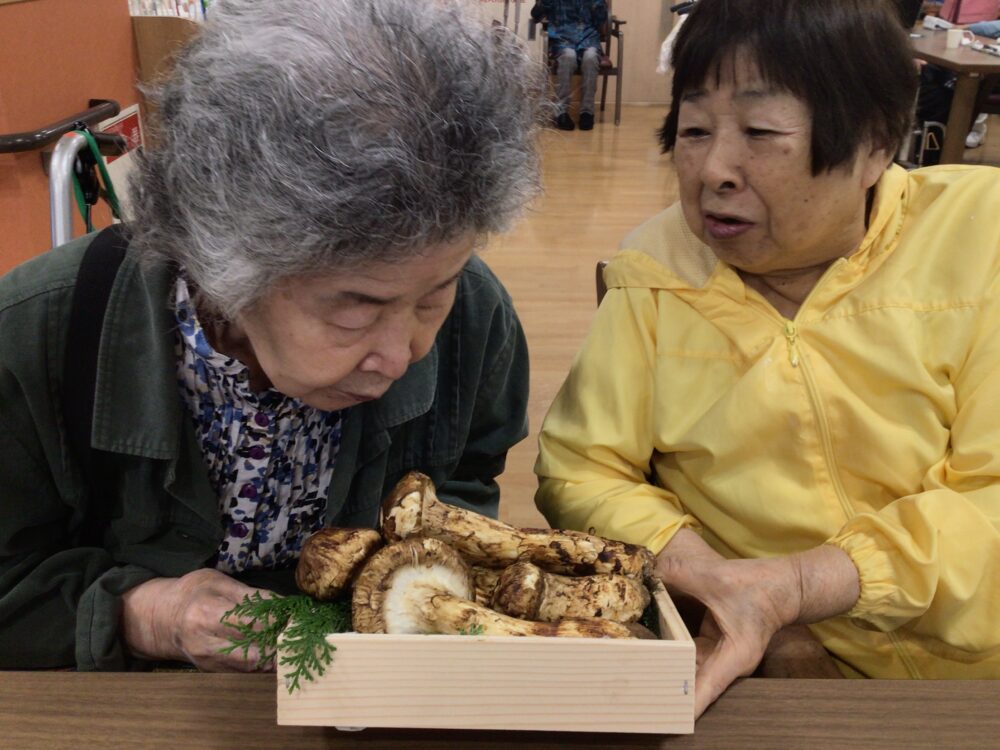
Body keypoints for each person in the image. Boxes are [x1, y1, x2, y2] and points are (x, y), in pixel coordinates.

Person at [0, 0, 545, 672]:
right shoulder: (30, 341)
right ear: (222, 261)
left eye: (435, 292)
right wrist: (145, 615)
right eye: (356, 308)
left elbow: (465, 479)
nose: (404, 354)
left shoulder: (475, 318)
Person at [536, 0, 1000, 719]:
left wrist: (806, 585)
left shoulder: (981, 239)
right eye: (693, 130)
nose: (714, 169)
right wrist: (716, 582)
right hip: (756, 660)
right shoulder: (654, 269)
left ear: (876, 144)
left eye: (760, 131)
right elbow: (582, 467)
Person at [531, 0, 608, 131]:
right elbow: (535, 16)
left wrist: (597, 4)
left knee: (590, 58)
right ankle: (560, 112)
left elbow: (601, 20)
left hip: (588, 38)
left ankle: (587, 112)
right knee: (568, 57)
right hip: (563, 40)